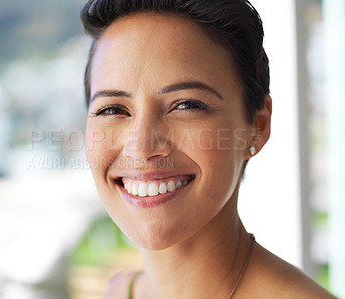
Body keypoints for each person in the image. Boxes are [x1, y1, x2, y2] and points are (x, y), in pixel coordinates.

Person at [81, 0, 336, 298]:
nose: (142, 148)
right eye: (112, 109)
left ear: (257, 127)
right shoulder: (119, 291)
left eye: (187, 105)